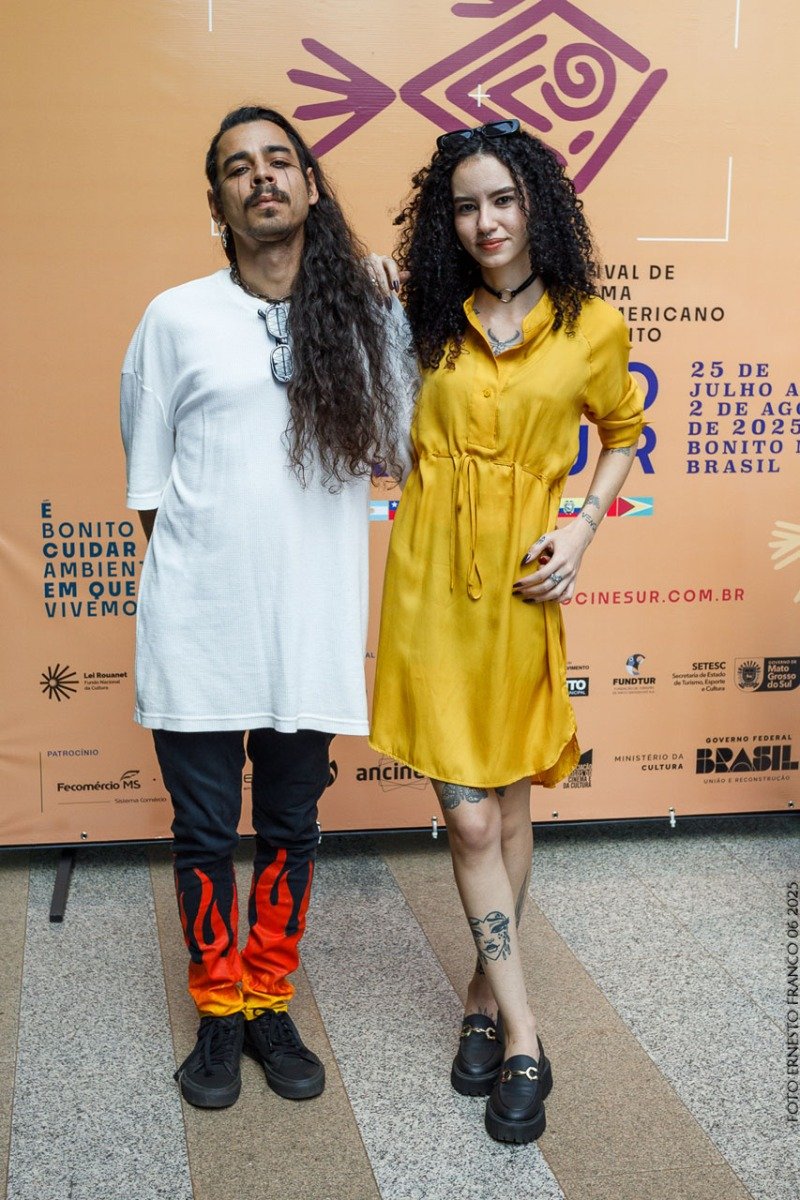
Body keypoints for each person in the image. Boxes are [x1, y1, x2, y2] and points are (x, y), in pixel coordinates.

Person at [121, 106, 413, 1110]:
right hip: (199, 627)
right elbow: (149, 487)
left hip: (310, 626)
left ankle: (268, 997)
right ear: (218, 202)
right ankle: (218, 1007)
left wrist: (386, 299)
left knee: (291, 824)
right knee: (204, 831)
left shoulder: (366, 317)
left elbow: (408, 445)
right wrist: (207, 586)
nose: (262, 178)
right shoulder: (174, 318)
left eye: (279, 160)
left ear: (310, 185)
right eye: (238, 168)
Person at [369, 119, 645, 1144]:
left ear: (537, 205)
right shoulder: (422, 320)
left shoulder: (591, 327)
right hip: (429, 591)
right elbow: (367, 411)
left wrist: (582, 528)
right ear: (445, 222)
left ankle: (483, 1001)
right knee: (471, 820)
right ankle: (526, 1034)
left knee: (513, 804)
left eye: (502, 199)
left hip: (523, 591)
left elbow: (623, 434)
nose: (485, 221)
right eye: (465, 206)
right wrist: (366, 297)